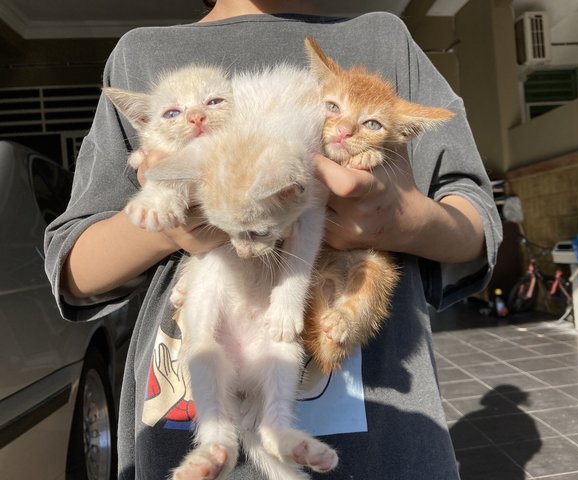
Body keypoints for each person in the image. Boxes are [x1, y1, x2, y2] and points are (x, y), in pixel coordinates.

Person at [44, 1, 502, 478]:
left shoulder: (383, 40)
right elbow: (74, 269)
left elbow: (478, 225)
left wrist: (402, 220)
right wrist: (174, 225)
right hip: (183, 420)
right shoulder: (142, 54)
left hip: (384, 443)